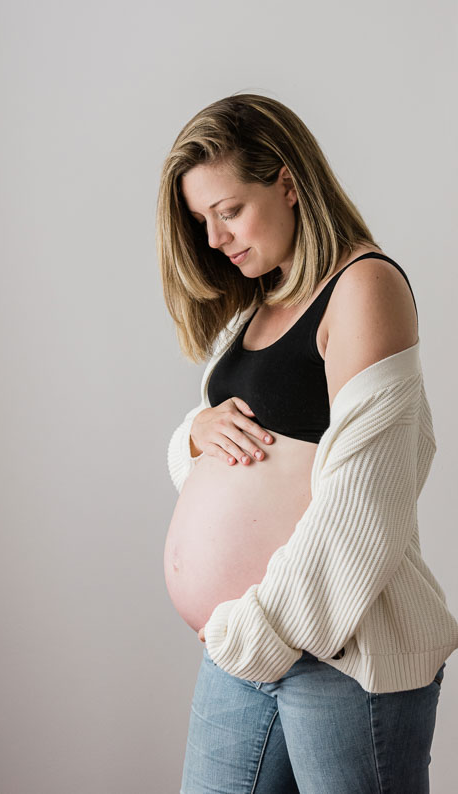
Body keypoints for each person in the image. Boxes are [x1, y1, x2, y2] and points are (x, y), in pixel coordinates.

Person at [156, 93, 458, 794]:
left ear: (287, 184)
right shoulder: (259, 301)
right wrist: (192, 438)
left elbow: (365, 505)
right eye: (202, 220)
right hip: (245, 646)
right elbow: (231, 459)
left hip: (339, 653)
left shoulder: (363, 286)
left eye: (227, 210)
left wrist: (256, 633)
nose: (214, 239)